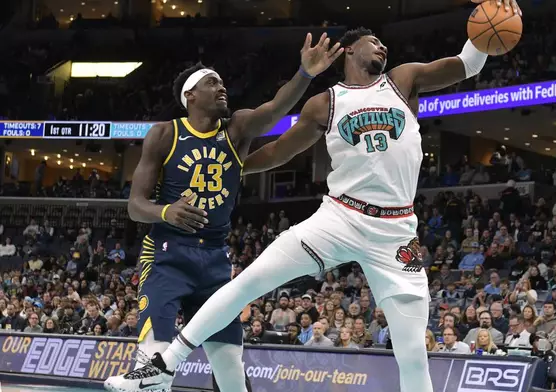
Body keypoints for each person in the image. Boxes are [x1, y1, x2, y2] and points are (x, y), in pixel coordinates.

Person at [105, 1, 521, 391]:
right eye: (374, 41)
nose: (383, 46)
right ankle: (163, 366)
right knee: (250, 281)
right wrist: (229, 162)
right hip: (340, 217)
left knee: (412, 353)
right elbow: (279, 150)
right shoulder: (325, 103)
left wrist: (488, 23)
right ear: (350, 51)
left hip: (396, 231)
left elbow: (466, 65)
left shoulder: (404, 79)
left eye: (383, 43)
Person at [103, 33, 343, 392]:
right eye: (211, 83)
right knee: (153, 359)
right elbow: (136, 206)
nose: (221, 88)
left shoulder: (237, 128)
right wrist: (166, 211)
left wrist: (305, 74)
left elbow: (276, 109)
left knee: (230, 365)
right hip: (168, 254)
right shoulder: (164, 135)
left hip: (215, 259)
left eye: (222, 82)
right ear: (190, 96)